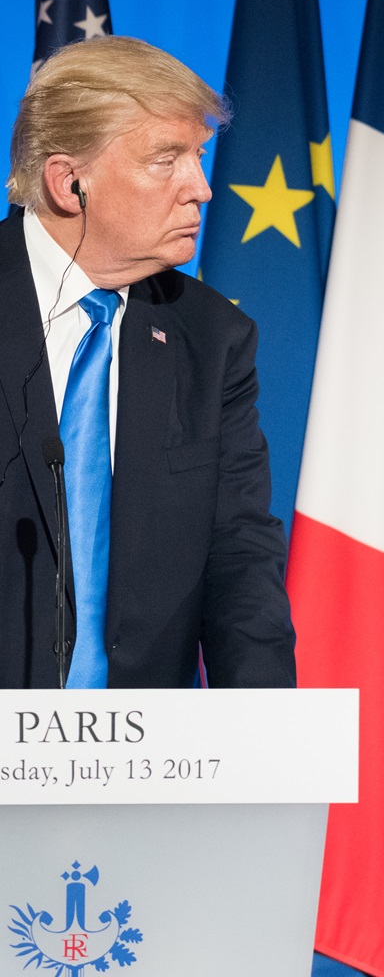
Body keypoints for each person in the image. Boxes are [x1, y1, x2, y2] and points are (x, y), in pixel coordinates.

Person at [0, 35, 295, 688]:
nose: (203, 189)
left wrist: (266, 751)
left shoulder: (214, 338)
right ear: (68, 182)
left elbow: (239, 565)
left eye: (199, 155)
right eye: (168, 159)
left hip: (142, 770)